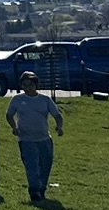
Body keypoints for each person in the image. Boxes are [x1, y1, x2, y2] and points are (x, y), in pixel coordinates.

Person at [5, 72, 65, 202]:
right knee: (32, 165)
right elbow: (9, 115)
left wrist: (59, 127)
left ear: (36, 85)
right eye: (25, 85)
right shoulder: (17, 99)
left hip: (44, 138)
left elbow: (57, 115)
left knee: (45, 165)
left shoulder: (45, 100)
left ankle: (42, 188)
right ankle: (34, 190)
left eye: (31, 85)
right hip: (26, 139)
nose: (28, 87)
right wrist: (14, 127)